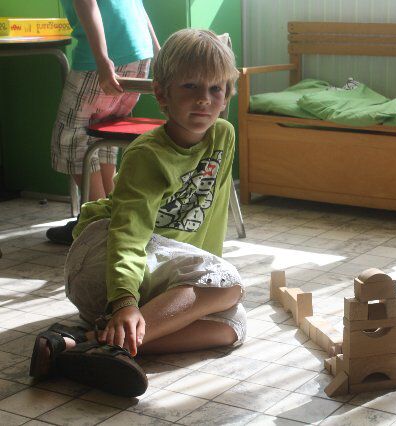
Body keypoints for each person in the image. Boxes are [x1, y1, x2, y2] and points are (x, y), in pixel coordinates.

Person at [29, 28, 245, 397]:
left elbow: (210, 220)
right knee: (228, 283)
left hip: (155, 269)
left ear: (227, 95)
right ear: (162, 94)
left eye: (215, 89)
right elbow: (128, 234)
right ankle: (113, 331)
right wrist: (125, 302)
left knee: (233, 325)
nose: (204, 99)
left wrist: (208, 278)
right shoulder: (147, 154)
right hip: (104, 257)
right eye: (190, 86)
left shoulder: (222, 136)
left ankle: (81, 345)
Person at [47, 0, 160, 245]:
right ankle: (114, 215)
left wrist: (101, 59)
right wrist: (158, 51)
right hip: (139, 53)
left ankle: (98, 224)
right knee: (102, 132)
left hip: (107, 55)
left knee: (70, 138)